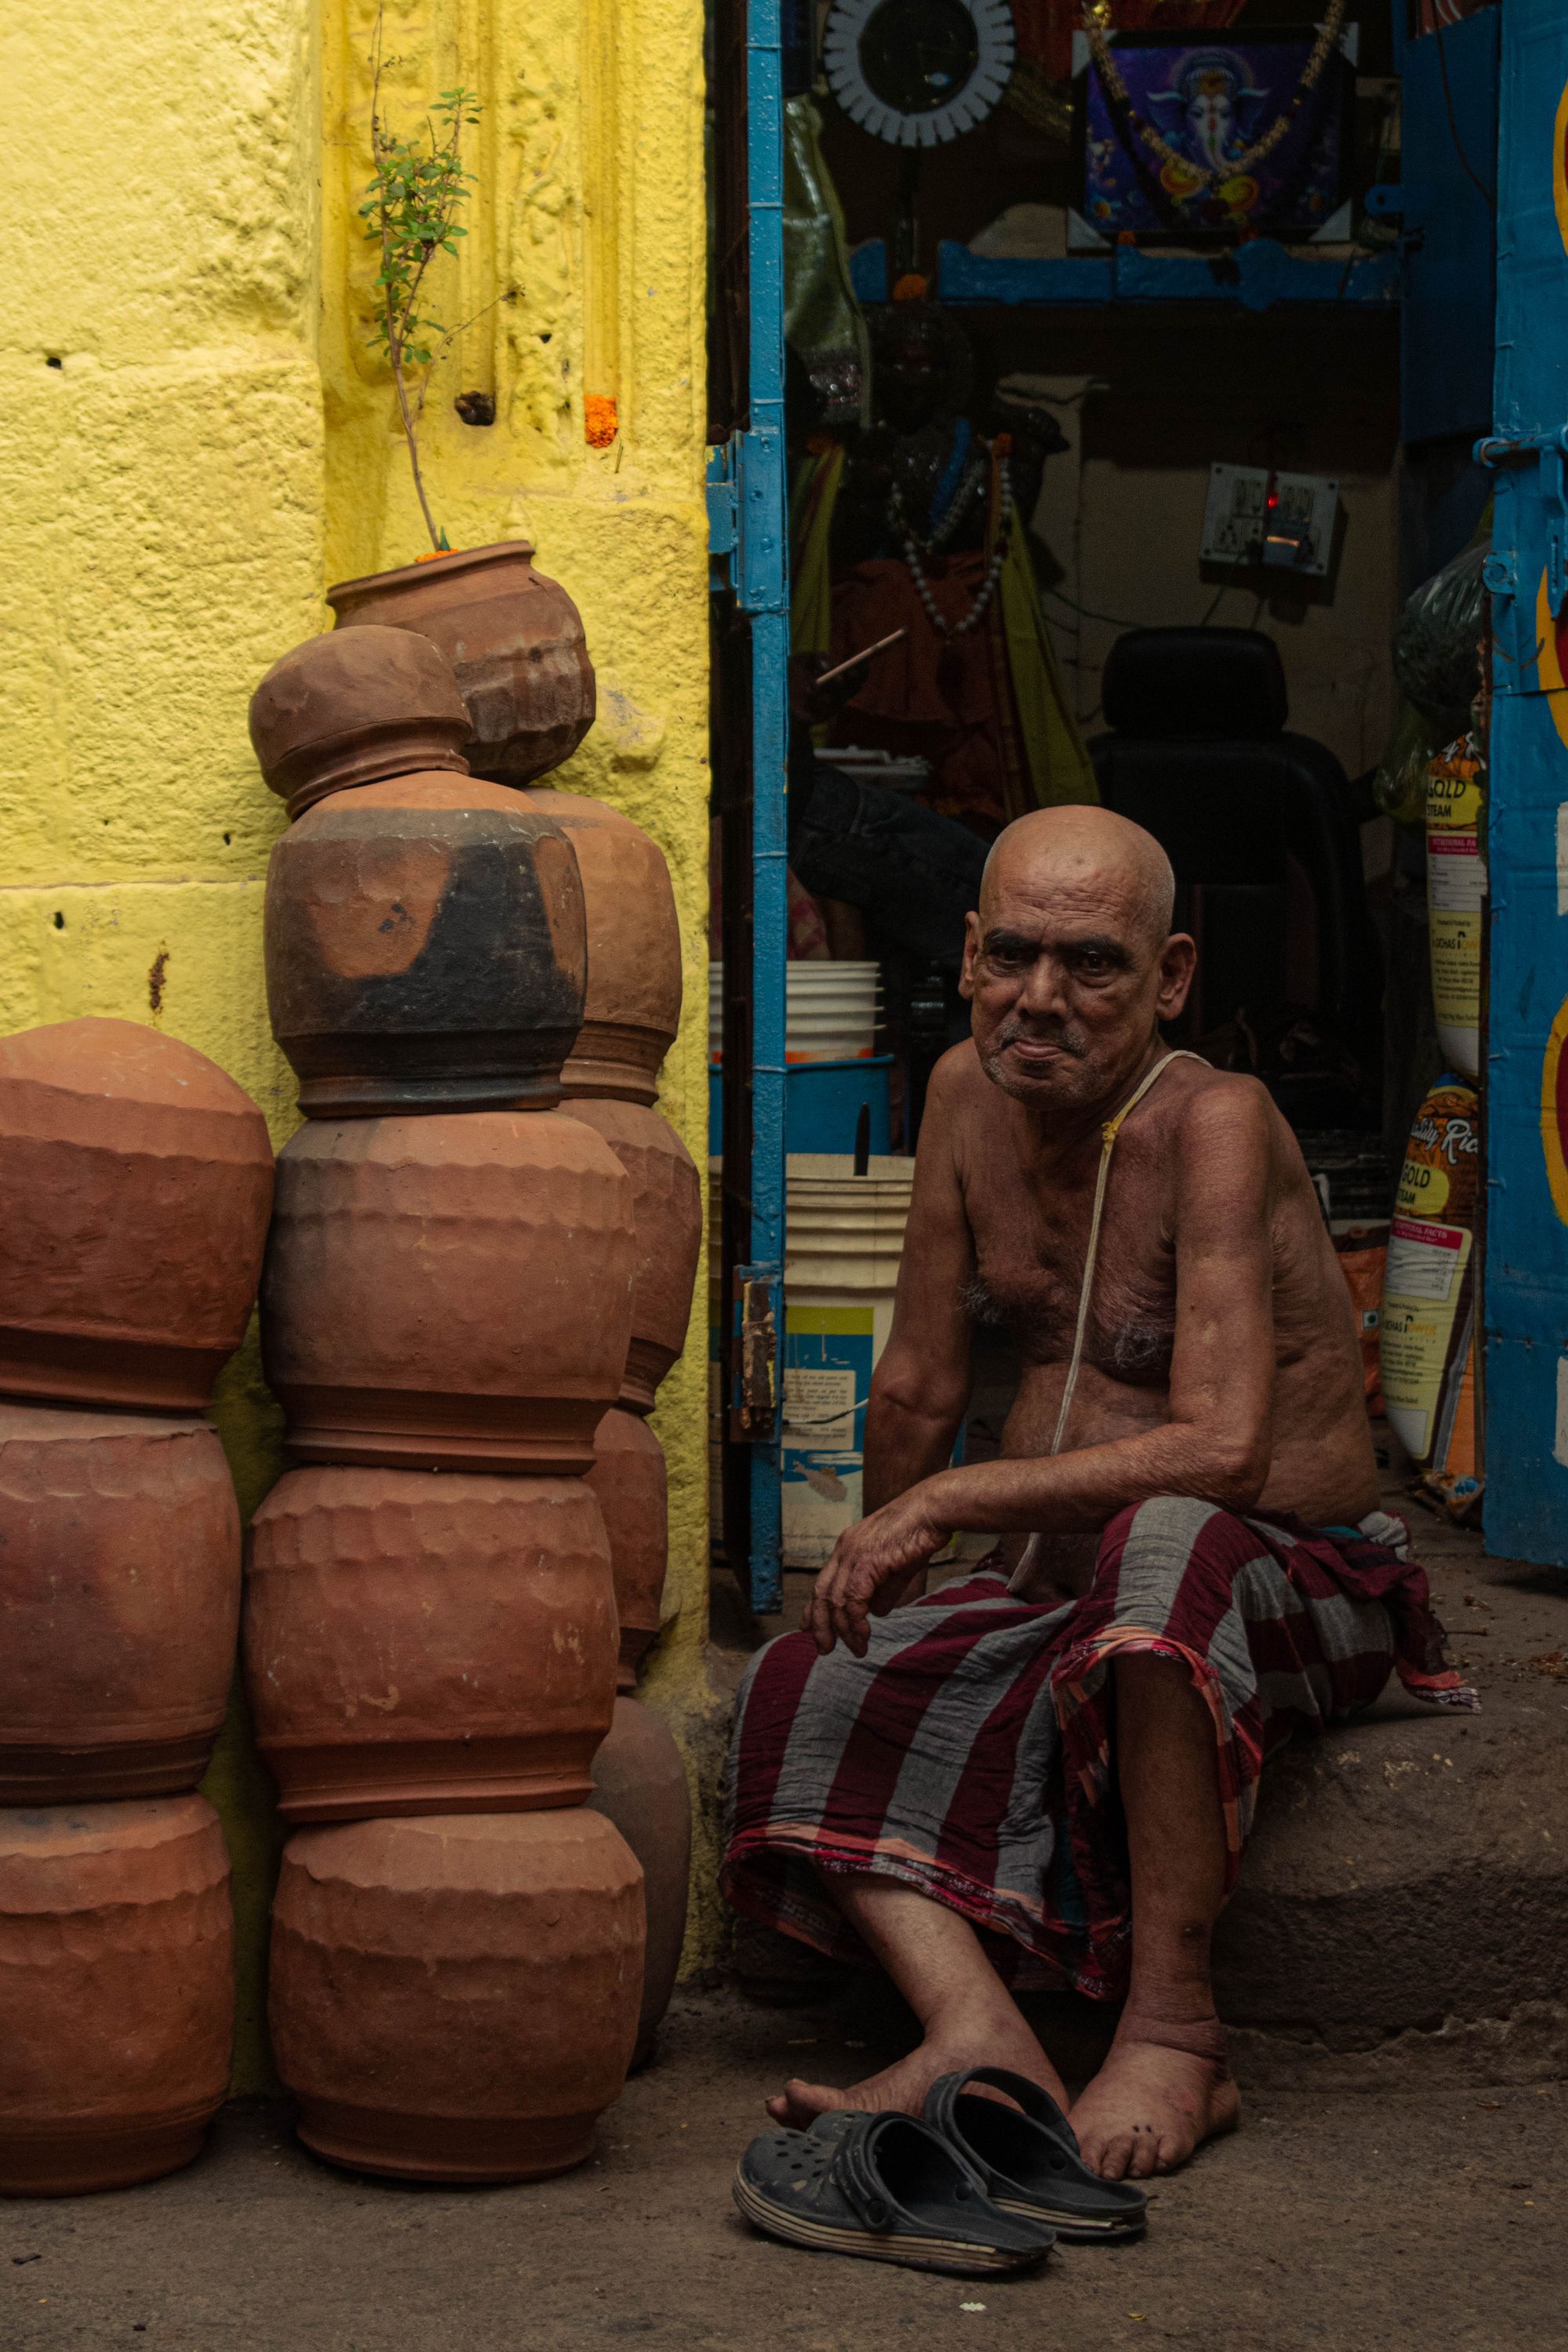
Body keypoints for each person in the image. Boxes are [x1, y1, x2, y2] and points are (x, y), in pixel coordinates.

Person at [722, 804, 1474, 2184]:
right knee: (807, 1679)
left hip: (1289, 1576)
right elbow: (918, 1391)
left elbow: (1226, 1450)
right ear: (964, 954)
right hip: (1064, 1582)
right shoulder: (961, 1095)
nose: (1041, 1001)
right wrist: (888, 1568)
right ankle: (974, 2031)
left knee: (1165, 1539)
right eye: (1012, 955)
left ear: (1174, 976)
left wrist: (954, 1506)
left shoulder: (1217, 1125)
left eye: (1094, 965)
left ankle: (1180, 2033)